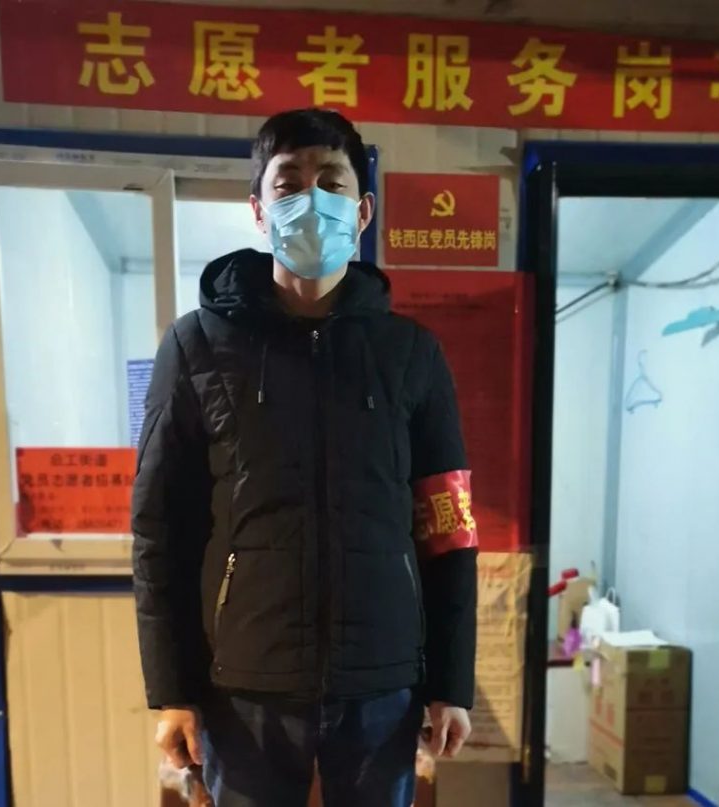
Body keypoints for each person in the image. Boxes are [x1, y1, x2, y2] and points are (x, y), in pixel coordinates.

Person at [132, 108, 477, 807]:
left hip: (381, 685)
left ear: (363, 210)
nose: (311, 200)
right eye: (288, 184)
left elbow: (448, 528)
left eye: (332, 182)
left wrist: (451, 683)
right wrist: (171, 690)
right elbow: (159, 529)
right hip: (245, 688)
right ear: (259, 211)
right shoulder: (197, 347)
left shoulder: (410, 354)